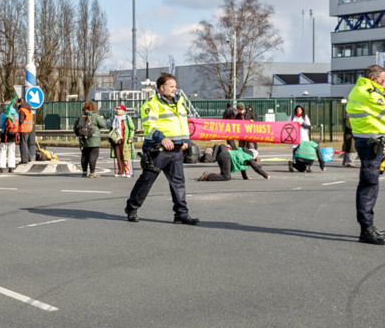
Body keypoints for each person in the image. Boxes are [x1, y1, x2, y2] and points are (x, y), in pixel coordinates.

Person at [125, 74, 199, 225]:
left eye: (175, 86)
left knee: (178, 183)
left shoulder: (179, 101)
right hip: (158, 149)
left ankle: (181, 214)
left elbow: (183, 122)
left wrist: (185, 141)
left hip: (176, 150)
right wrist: (162, 138)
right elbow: (148, 126)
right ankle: (132, 208)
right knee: (147, 181)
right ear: (161, 88)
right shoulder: (151, 104)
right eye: (171, 87)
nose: (175, 89)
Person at [347, 65, 385, 245]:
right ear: (373, 78)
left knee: (371, 183)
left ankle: (368, 226)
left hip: (371, 141)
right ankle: (366, 228)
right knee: (369, 184)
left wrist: (383, 97)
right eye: (383, 80)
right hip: (371, 142)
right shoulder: (368, 94)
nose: (384, 83)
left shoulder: (363, 91)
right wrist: (384, 98)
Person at [198, 145, 269, 182]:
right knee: (226, 177)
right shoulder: (250, 157)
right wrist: (266, 175)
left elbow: (243, 166)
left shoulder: (243, 153)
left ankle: (209, 175)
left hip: (223, 155)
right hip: (226, 157)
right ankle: (208, 176)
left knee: (225, 174)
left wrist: (245, 177)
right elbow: (256, 168)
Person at [76, 100, 106, 178]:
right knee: (93, 155)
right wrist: (102, 119)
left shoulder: (81, 116)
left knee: (84, 155)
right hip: (94, 138)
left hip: (83, 138)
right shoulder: (95, 116)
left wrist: (79, 135)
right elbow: (103, 125)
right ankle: (92, 172)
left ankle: (84, 172)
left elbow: (75, 127)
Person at [109, 104, 135, 178]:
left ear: (124, 110)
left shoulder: (127, 118)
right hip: (116, 140)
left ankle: (128, 171)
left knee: (126, 156)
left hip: (125, 140)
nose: (117, 111)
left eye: (119, 109)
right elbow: (111, 129)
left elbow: (132, 128)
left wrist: (130, 137)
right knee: (118, 156)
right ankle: (121, 170)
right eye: (117, 109)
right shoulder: (114, 119)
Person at [0, 99, 19, 172]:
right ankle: (11, 167)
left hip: (5, 134)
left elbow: (0, 125)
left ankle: (2, 166)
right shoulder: (16, 114)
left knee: (3, 150)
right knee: (11, 151)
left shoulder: (4, 114)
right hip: (13, 134)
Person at [17, 99, 37, 163]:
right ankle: (29, 157)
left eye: (17, 103)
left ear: (20, 103)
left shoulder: (22, 110)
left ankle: (24, 159)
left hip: (23, 129)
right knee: (26, 144)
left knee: (23, 144)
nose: (17, 105)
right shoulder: (29, 109)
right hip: (29, 129)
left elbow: (21, 120)